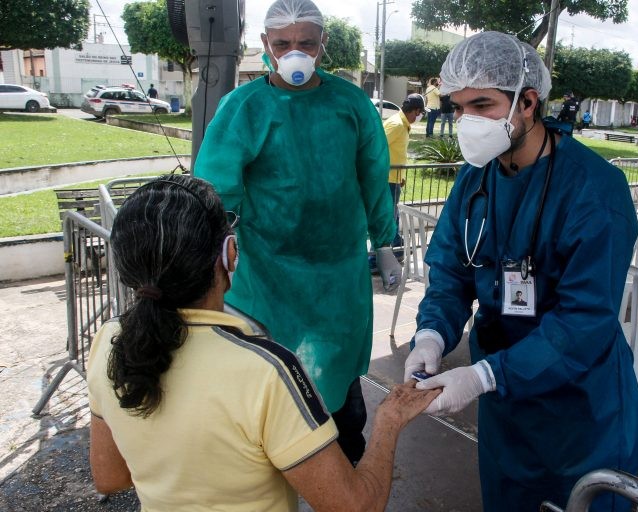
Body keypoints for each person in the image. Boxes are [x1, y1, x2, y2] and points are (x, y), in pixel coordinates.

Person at [88, 174, 440, 511]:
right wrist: (389, 420)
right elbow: (355, 505)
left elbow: (110, 477)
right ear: (230, 253)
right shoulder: (266, 370)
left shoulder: (109, 341)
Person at [403, 31, 638, 511]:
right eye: (457, 107)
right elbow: (451, 272)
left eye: (482, 105)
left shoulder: (594, 190)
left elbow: (584, 320)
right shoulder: (475, 178)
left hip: (579, 408)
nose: (466, 121)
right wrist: (431, 334)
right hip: (507, 406)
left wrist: (484, 376)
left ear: (528, 102)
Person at [193, 0, 401, 466]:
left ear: (323, 44)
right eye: (283, 43)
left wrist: (385, 243)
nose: (295, 53)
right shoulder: (243, 107)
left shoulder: (350, 103)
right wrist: (216, 255)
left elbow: (373, 177)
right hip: (267, 274)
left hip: (338, 275)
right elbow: (216, 189)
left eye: (306, 43)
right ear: (265, 45)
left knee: (342, 397)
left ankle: (345, 479)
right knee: (269, 387)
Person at [384, 93, 426, 247]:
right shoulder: (397, 125)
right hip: (387, 179)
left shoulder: (402, 124)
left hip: (394, 178)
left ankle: (397, 245)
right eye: (421, 113)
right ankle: (378, 255)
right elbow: (376, 147)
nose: (420, 116)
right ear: (416, 111)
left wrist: (400, 176)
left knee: (392, 214)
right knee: (388, 216)